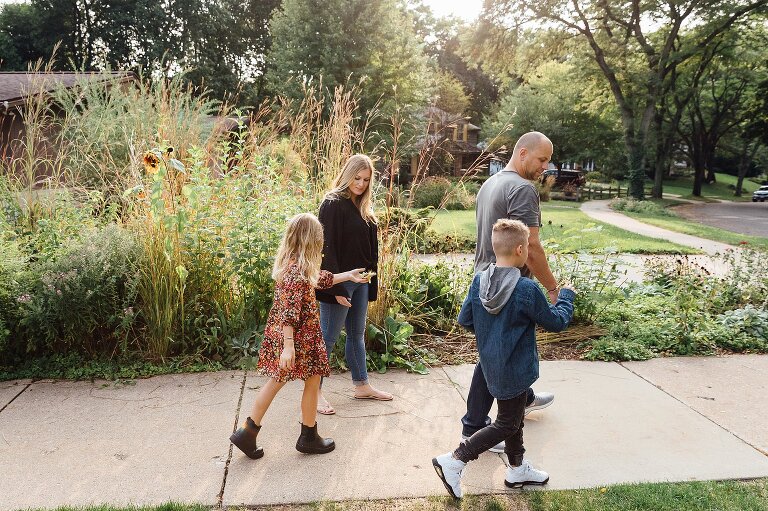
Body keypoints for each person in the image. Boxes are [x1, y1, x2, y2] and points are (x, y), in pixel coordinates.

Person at [433, 219, 575, 498]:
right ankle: (455, 460)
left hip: (490, 364)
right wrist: (567, 296)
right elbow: (557, 322)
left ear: (494, 247)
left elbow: (465, 320)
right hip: (516, 368)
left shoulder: (479, 281)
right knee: (507, 423)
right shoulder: (526, 289)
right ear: (521, 250)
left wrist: (491, 335)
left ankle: (518, 469)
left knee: (515, 418)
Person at [229, 213, 366, 459]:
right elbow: (289, 313)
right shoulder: (295, 273)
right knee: (279, 382)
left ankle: (303, 435)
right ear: (311, 240)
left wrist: (347, 275)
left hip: (297, 338)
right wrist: (288, 347)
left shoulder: (296, 267)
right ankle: (253, 432)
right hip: (295, 339)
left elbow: (318, 278)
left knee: (309, 380)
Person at [462, 131, 560, 453]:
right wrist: (552, 287)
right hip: (508, 287)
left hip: (484, 279)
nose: (546, 166)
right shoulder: (522, 189)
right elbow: (530, 246)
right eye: (541, 159)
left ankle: (522, 400)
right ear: (522, 154)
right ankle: (476, 427)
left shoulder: (490, 184)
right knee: (501, 354)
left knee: (499, 352)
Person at [316, 154, 393, 415]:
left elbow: (372, 253)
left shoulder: (366, 211)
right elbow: (326, 248)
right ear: (348, 175)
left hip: (361, 281)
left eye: (366, 180)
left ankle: (362, 385)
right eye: (356, 178)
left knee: (357, 335)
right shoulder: (332, 203)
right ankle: (313, 392)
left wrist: (370, 284)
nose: (360, 184)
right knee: (327, 338)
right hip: (339, 280)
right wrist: (335, 288)